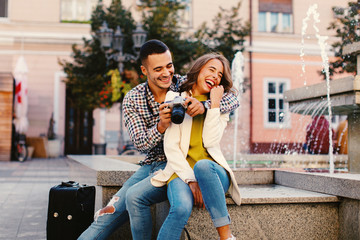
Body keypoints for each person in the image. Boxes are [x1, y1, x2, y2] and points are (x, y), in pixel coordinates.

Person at [78, 40, 239, 240]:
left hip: (177, 164)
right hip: (154, 163)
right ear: (144, 71)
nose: (166, 73)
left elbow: (231, 97)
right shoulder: (133, 98)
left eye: (169, 66)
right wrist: (161, 126)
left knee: (145, 198)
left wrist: (205, 105)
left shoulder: (182, 84)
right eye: (158, 69)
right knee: (115, 209)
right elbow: (140, 143)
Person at [150, 53, 241, 240]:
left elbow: (210, 141)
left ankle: (226, 237)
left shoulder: (220, 105)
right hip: (181, 171)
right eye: (211, 70)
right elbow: (172, 147)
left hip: (213, 173)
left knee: (203, 166)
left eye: (220, 75)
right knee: (181, 208)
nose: (215, 76)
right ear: (199, 70)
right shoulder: (175, 98)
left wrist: (214, 105)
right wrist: (191, 180)